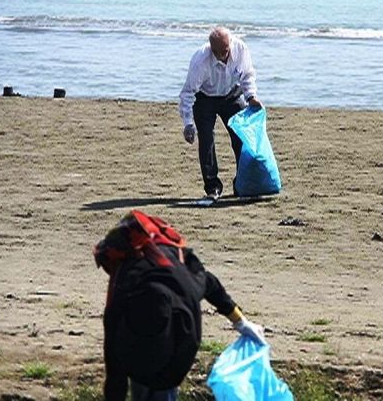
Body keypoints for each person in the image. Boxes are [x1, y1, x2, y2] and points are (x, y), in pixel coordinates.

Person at [93, 210, 266, 401]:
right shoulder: (179, 264)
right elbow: (211, 285)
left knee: (148, 383)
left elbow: (114, 368)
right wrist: (241, 321)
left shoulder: (124, 285)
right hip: (181, 342)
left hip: (162, 346)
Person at [179, 26, 263, 200]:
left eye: (227, 50)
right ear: (212, 49)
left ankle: (242, 183)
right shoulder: (200, 60)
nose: (225, 55)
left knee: (241, 138)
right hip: (205, 98)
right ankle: (212, 187)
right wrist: (188, 123)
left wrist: (251, 96)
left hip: (232, 94)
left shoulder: (240, 49)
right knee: (207, 140)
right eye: (220, 52)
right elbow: (187, 93)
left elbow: (247, 75)